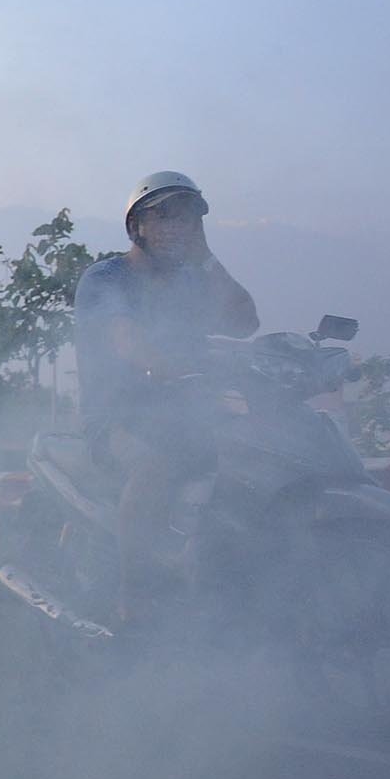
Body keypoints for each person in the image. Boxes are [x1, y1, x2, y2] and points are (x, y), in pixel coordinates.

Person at [74, 170, 258, 627]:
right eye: (165, 216)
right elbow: (125, 339)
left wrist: (207, 257)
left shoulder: (191, 280)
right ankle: (133, 599)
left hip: (186, 415)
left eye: (188, 219)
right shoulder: (107, 277)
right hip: (116, 418)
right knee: (154, 466)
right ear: (136, 226)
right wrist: (162, 364)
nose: (177, 227)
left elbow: (245, 321)